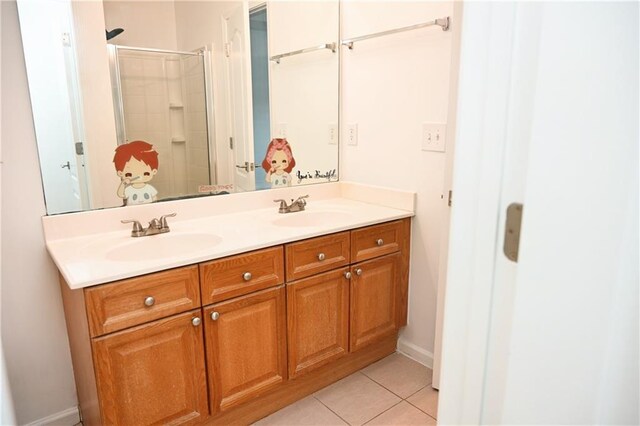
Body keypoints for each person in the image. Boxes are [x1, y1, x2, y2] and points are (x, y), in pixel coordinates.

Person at [113, 140, 159, 205]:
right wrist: (123, 183)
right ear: (120, 173)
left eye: (146, 173)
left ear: (154, 171)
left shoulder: (149, 188)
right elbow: (121, 195)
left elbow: (154, 199)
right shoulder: (129, 189)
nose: (139, 176)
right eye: (129, 174)